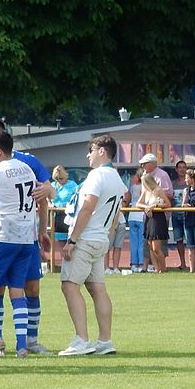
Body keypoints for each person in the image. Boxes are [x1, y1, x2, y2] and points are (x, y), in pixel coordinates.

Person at [0, 118, 53, 356]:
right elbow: (44, 193)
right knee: (17, 290)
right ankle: (22, 345)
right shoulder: (27, 168)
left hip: (2, 237)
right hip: (25, 239)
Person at [57, 135, 127, 356]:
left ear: (102, 151)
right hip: (100, 238)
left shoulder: (97, 175)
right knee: (98, 289)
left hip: (86, 237)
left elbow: (87, 207)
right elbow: (116, 216)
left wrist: (72, 240)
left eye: (91, 150)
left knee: (69, 285)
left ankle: (81, 340)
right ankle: (105, 340)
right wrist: (105, 237)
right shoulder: (117, 178)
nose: (88, 155)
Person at [139, 153, 172, 269]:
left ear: (152, 163)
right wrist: (146, 207)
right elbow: (139, 201)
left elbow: (168, 196)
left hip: (159, 217)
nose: (142, 166)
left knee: (157, 247)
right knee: (150, 245)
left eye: (144, 164)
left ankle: (162, 268)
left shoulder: (162, 176)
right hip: (149, 217)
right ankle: (156, 268)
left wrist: (155, 205)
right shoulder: (145, 178)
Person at [51, 165, 78, 243]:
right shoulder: (52, 185)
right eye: (57, 179)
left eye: (61, 178)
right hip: (54, 216)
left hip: (68, 215)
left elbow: (78, 198)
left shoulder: (73, 185)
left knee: (67, 241)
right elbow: (46, 197)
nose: (59, 181)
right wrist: (49, 204)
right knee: (56, 242)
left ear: (66, 176)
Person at [171, 160, 188, 269]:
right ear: (176, 170)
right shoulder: (172, 183)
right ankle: (183, 263)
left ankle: (192, 263)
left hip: (188, 215)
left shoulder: (190, 183)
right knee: (179, 240)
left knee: (190, 241)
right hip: (176, 215)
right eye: (180, 167)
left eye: (184, 167)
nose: (182, 169)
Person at [127, 172, 145, 273]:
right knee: (141, 242)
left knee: (133, 242)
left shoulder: (132, 187)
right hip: (141, 216)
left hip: (132, 215)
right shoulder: (144, 187)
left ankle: (134, 263)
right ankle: (141, 263)